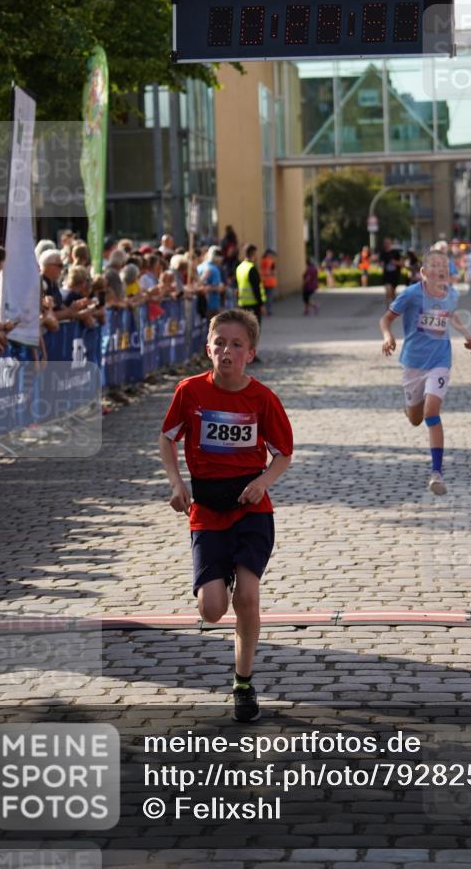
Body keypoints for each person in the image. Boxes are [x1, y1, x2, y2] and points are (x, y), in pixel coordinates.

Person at [158, 309, 293, 723]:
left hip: (251, 509)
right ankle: (221, 578)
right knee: (212, 610)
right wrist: (176, 484)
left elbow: (283, 453)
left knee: (247, 597)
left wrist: (263, 482)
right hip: (207, 510)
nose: (227, 351)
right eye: (220, 343)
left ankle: (243, 682)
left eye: (236, 345)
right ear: (208, 348)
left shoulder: (263, 398)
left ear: (250, 353)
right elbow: (167, 438)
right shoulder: (190, 391)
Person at [379, 248, 471, 495]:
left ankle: (436, 473)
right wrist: (388, 336)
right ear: (423, 272)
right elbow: (386, 319)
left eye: (443, 265)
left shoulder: (451, 294)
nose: (439, 268)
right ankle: (410, 409)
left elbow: (450, 315)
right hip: (413, 362)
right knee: (415, 418)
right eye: (433, 264)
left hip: (440, 361)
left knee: (432, 411)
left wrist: (466, 334)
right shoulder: (411, 295)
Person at [236, 244, 265, 325]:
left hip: (242, 304)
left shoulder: (239, 267)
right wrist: (261, 304)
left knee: (245, 329)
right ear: (254, 254)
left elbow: (237, 286)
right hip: (253, 304)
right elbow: (256, 288)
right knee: (254, 330)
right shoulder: (251, 268)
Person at [379, 237, 402, 306]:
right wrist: (381, 264)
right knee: (387, 290)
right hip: (386, 275)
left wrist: (395, 262)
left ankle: (393, 302)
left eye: (388, 243)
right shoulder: (382, 253)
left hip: (395, 275)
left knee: (392, 292)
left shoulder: (396, 253)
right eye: (385, 243)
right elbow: (380, 262)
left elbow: (401, 263)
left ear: (391, 244)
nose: (387, 244)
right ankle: (389, 307)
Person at [260, 249, 277, 316]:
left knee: (264, 297)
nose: (272, 256)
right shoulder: (271, 261)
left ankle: (263, 310)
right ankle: (268, 311)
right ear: (268, 254)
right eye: (271, 254)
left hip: (263, 281)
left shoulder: (262, 261)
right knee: (269, 297)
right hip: (270, 282)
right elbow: (273, 272)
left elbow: (261, 270)